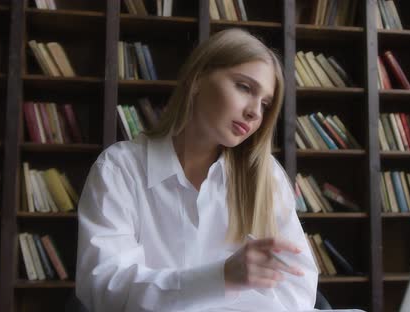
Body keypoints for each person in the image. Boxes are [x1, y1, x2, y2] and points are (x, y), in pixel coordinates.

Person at [76, 28, 318, 311]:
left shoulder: (267, 176)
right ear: (198, 79)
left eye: (265, 104)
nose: (255, 112)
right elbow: (105, 288)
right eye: (244, 87)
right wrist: (221, 278)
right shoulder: (119, 169)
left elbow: (298, 291)